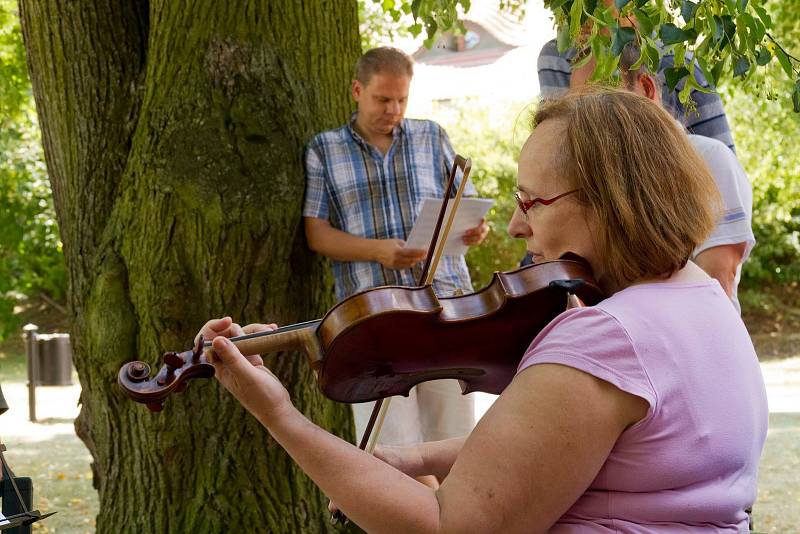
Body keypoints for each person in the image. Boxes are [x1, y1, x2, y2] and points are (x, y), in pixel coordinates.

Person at [202, 88, 768, 532]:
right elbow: (558, 445)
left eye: (531, 202)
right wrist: (411, 457)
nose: (518, 226)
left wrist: (281, 416)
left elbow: (447, 525)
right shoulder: (705, 303)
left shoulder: (605, 338)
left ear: (609, 199)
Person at [303, 47, 489, 447]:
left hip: (443, 308)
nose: (394, 109)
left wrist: (475, 230)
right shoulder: (324, 149)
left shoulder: (431, 135)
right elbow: (316, 234)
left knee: (455, 442)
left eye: (402, 99)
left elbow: (465, 208)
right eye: (383, 99)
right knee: (389, 450)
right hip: (372, 317)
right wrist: (378, 251)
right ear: (357, 90)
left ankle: (456, 511)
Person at [569, 44, 755, 312]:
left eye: (603, 97)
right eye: (578, 105)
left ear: (646, 87)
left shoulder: (708, 158)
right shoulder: (598, 182)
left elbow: (717, 285)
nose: (587, 118)